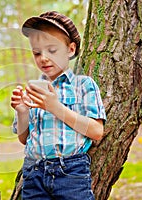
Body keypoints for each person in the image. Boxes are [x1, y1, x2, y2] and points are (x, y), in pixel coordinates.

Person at [10, 11, 106, 199]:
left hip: (70, 172)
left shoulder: (83, 85)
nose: (43, 58)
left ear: (70, 49)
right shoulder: (33, 89)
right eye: (37, 53)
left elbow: (96, 131)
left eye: (51, 50)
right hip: (34, 172)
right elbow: (24, 138)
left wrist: (55, 107)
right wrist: (22, 112)